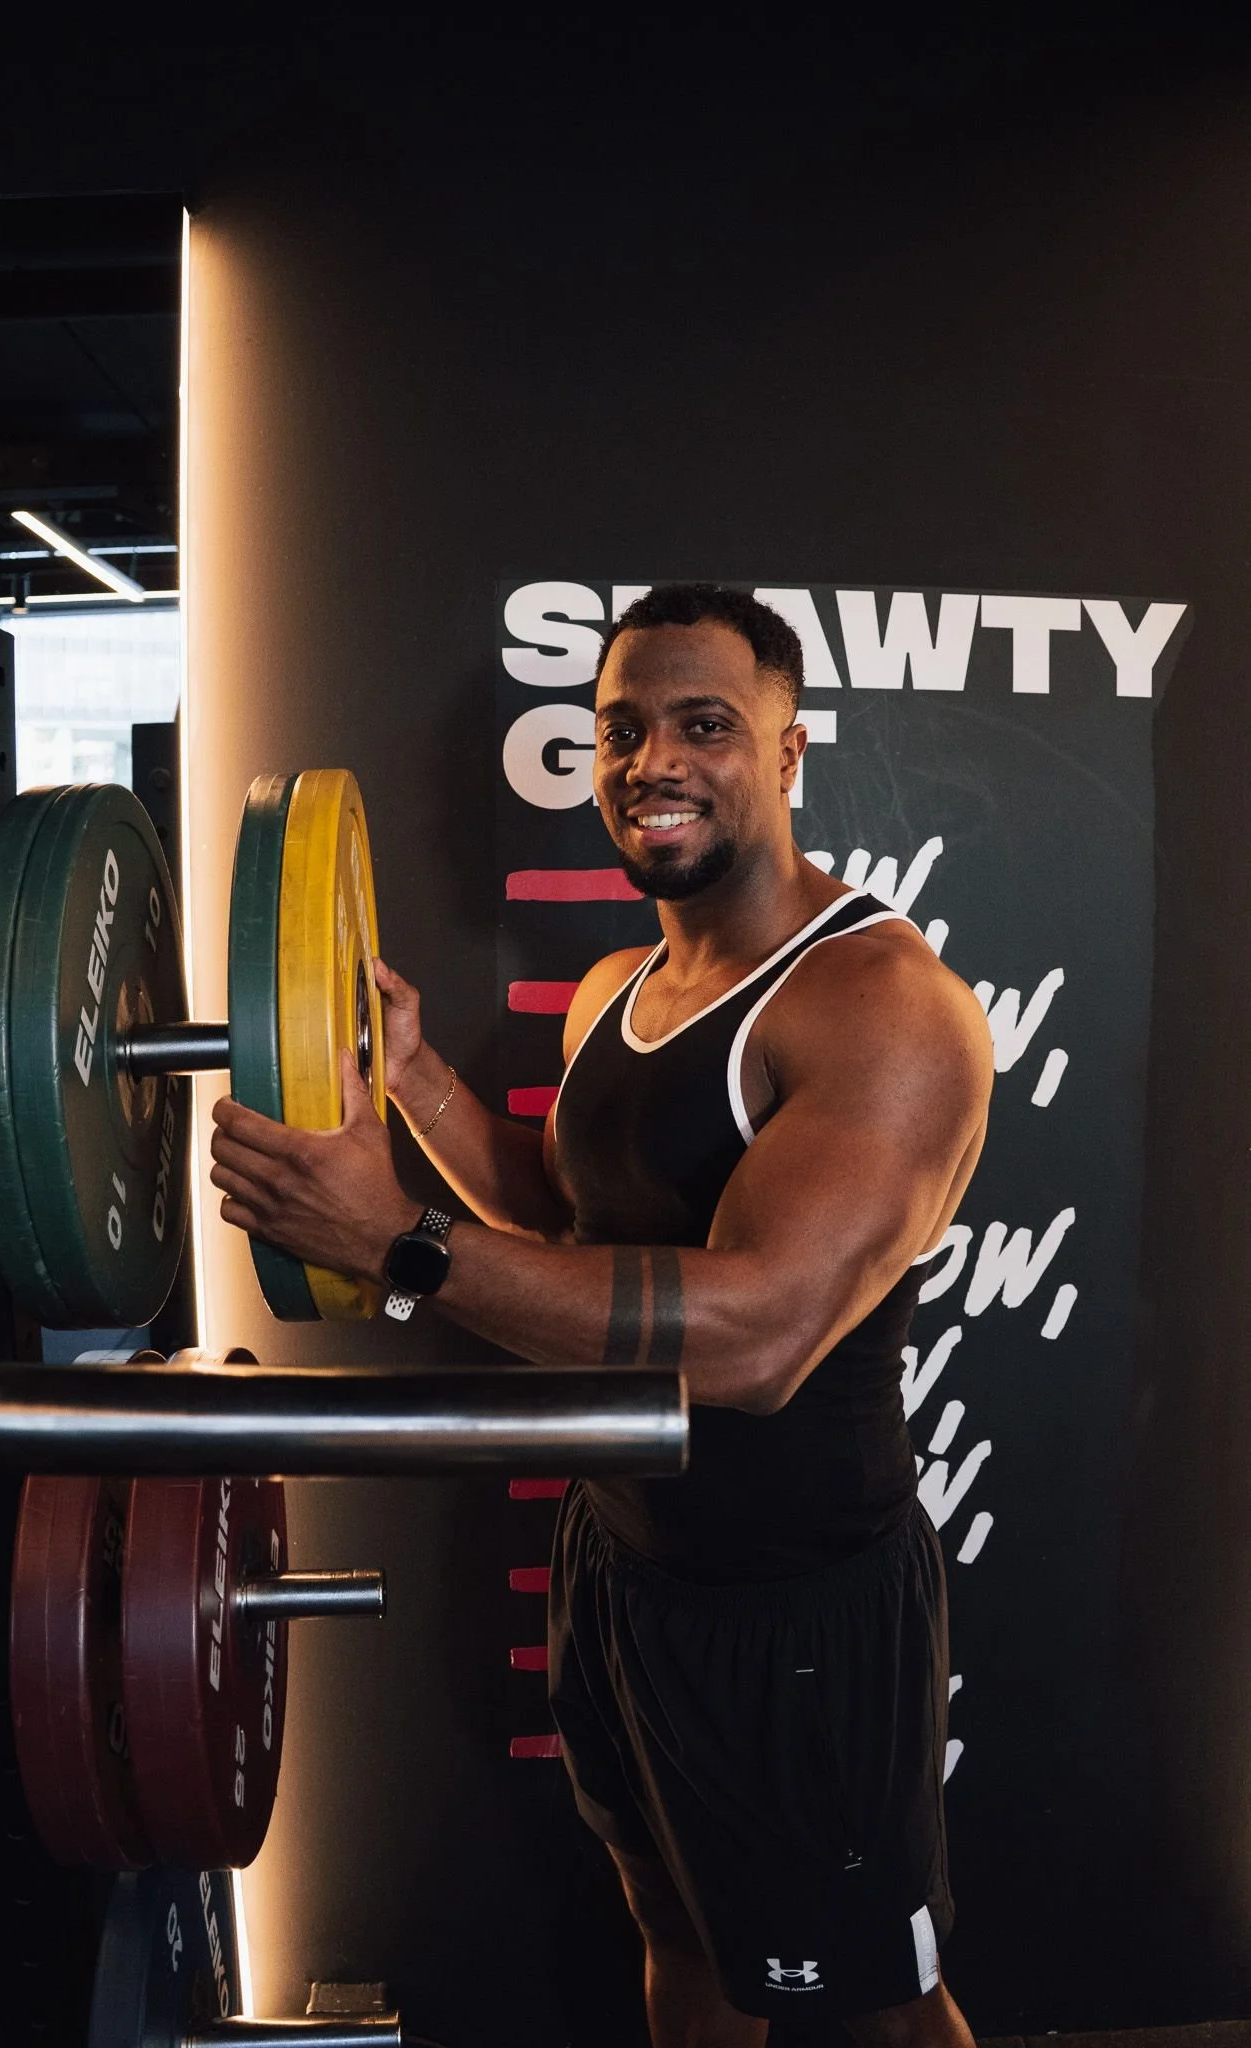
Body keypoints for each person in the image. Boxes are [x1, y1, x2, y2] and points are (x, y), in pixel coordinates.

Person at [210, 582, 994, 2048]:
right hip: (624, 1565)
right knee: (674, 1926)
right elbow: (568, 1231)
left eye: (706, 725)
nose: (654, 763)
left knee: (878, 2009)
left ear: (789, 751)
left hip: (796, 1602)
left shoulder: (881, 1006)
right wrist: (414, 1078)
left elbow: (755, 1338)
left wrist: (394, 1241)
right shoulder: (617, 990)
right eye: (622, 730)